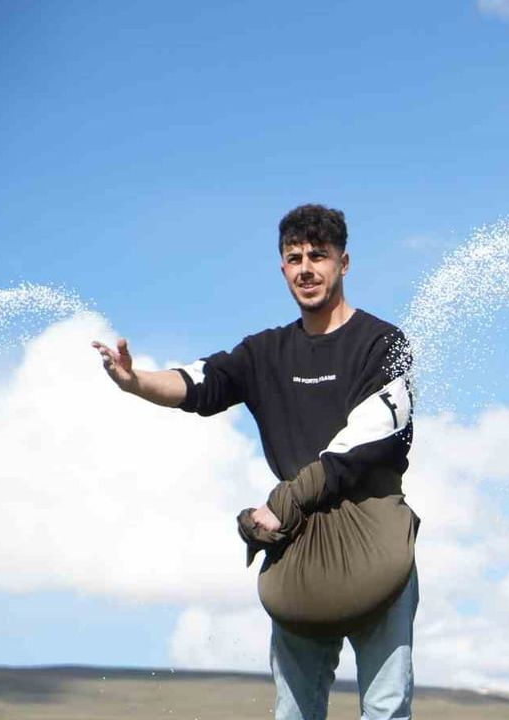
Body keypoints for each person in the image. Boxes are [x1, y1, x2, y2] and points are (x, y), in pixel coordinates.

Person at [92, 204, 418, 720]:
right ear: (283, 268)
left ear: (344, 262)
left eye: (318, 255)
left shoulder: (384, 343)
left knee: (385, 709)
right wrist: (137, 383)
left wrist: (280, 502)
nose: (306, 267)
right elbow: (200, 382)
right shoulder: (265, 351)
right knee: (293, 712)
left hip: (371, 537)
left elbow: (363, 443)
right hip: (298, 546)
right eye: (294, 258)